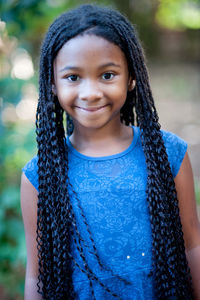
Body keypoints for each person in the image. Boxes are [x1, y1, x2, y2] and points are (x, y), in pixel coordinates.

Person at [20, 4, 200, 300]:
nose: (90, 92)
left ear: (131, 78)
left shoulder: (168, 155)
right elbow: (36, 274)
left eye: (107, 75)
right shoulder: (40, 176)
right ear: (52, 83)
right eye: (73, 77)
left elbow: (192, 243)